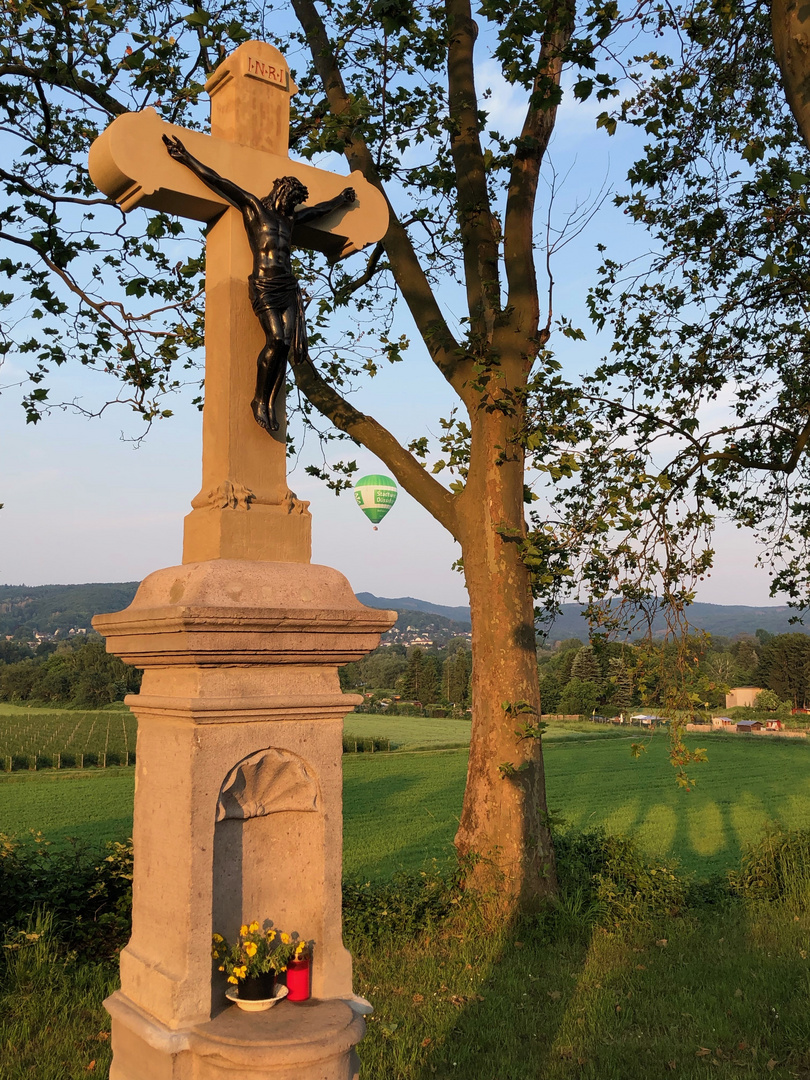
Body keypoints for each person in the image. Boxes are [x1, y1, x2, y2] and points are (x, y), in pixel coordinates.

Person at [163, 134, 356, 432]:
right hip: (265, 284)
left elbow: (318, 211)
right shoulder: (254, 208)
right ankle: (259, 399)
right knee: (276, 340)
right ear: (281, 191)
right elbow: (219, 181)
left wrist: (340, 201)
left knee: (288, 346)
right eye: (291, 198)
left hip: (288, 285)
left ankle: (269, 403)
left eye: (295, 202)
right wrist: (186, 157)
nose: (292, 205)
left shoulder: (289, 222)